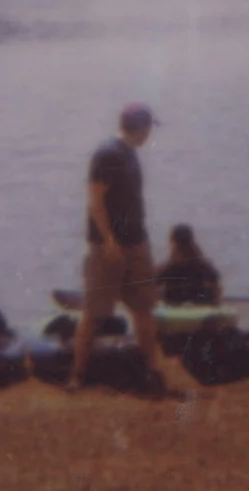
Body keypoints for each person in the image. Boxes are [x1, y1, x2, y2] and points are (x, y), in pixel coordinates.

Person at [69, 103, 177, 393]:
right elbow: (95, 201)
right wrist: (108, 241)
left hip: (136, 243)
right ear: (140, 128)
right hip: (109, 248)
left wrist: (139, 241)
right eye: (149, 128)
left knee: (144, 309)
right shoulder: (108, 154)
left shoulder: (130, 154)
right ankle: (77, 376)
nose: (149, 134)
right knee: (94, 311)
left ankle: (151, 369)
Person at [158, 223, 224, 308]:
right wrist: (216, 304)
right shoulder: (202, 264)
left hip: (175, 308)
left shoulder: (168, 267)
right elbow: (217, 285)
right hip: (200, 307)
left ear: (173, 242)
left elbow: (153, 286)